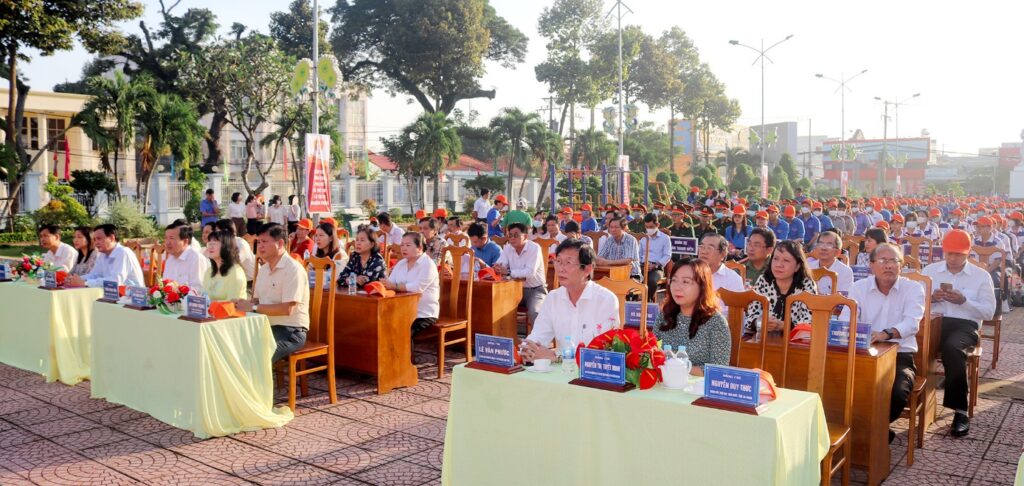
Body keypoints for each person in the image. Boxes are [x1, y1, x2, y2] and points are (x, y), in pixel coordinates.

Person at [845, 243, 924, 444]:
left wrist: (885, 334)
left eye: (893, 261)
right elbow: (847, 318)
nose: (888, 265)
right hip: (865, 355)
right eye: (882, 261)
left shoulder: (913, 288)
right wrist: (848, 330)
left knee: (897, 393)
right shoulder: (859, 287)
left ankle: (874, 429)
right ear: (871, 265)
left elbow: (912, 323)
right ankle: (869, 431)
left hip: (900, 357)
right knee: (843, 385)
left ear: (901, 265)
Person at [922, 229, 996, 437]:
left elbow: (988, 312)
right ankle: (911, 399)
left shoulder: (981, 276)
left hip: (965, 325)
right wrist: (933, 299)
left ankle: (960, 411)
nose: (953, 259)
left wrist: (964, 301)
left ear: (968, 253)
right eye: (949, 254)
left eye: (958, 254)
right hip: (935, 321)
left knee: (953, 349)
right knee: (909, 345)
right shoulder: (930, 271)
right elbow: (914, 302)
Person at [520, 238, 620, 361]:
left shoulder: (606, 300)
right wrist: (527, 349)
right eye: (559, 261)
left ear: (587, 269)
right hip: (560, 372)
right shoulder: (553, 297)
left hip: (591, 374)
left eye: (568, 263)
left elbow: (605, 353)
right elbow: (539, 335)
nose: (561, 269)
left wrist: (557, 356)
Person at [233, 223, 310, 363]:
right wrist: (241, 303)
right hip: (267, 326)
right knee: (234, 346)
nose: (259, 246)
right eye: (258, 242)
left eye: (264, 242)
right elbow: (256, 301)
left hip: (291, 330)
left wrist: (253, 307)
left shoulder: (293, 270)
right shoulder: (264, 269)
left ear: (280, 243)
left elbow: (288, 309)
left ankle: (258, 385)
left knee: (256, 355)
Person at [653, 256, 730, 375]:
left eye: (686, 282)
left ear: (702, 286)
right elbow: (653, 352)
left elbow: (719, 369)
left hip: (697, 388)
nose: (677, 287)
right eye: (674, 280)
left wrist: (680, 369)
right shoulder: (665, 315)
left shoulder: (716, 322)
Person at [744, 240, 818, 337]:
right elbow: (750, 316)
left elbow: (809, 323)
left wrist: (784, 326)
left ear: (797, 266)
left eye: (786, 260)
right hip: (765, 340)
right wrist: (760, 321)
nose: (779, 265)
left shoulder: (806, 284)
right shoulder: (764, 280)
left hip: (795, 344)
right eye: (775, 259)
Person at [384, 232, 441, 335]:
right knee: (383, 325)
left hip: (423, 313)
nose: (403, 248)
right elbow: (390, 283)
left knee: (403, 330)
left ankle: (406, 352)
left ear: (419, 248)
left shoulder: (428, 264)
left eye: (408, 245)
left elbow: (417, 288)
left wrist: (395, 287)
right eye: (402, 245)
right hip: (402, 310)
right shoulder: (401, 264)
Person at [494, 222, 547, 324]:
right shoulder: (508, 247)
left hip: (535, 290)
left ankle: (538, 340)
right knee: (496, 307)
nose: (512, 238)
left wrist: (508, 272)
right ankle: (508, 337)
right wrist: (498, 267)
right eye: (510, 235)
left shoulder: (534, 248)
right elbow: (501, 264)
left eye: (516, 235)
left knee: (535, 312)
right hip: (513, 289)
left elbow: (530, 272)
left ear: (525, 236)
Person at [66, 224, 144, 288]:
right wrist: (75, 279)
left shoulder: (123, 252)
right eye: (95, 239)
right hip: (113, 295)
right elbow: (95, 274)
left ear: (111, 238)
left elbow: (115, 281)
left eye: (99, 239)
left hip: (132, 298)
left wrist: (85, 283)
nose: (96, 243)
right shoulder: (102, 254)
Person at [161, 219, 209, 293]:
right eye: (166, 238)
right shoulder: (170, 260)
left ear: (185, 241)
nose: (167, 242)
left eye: (171, 238)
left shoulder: (196, 259)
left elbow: (199, 290)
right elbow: (165, 285)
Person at [202, 230, 247, 301]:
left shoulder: (235, 271)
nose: (210, 246)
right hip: (210, 311)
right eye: (209, 243)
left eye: (214, 243)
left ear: (226, 246)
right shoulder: (209, 271)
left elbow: (231, 303)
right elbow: (203, 297)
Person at [808, 230, 854, 295]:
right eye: (820, 244)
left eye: (829, 245)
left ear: (838, 252)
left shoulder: (845, 271)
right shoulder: (808, 268)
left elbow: (842, 299)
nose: (823, 248)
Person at [640, 213, 672, 302]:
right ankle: (632, 301)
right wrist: (641, 265)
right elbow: (638, 255)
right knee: (631, 279)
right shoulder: (643, 237)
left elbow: (667, 255)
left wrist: (656, 265)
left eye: (651, 227)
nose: (648, 229)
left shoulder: (665, 238)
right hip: (642, 266)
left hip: (656, 268)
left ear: (657, 225)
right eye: (646, 227)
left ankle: (647, 301)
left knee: (651, 281)